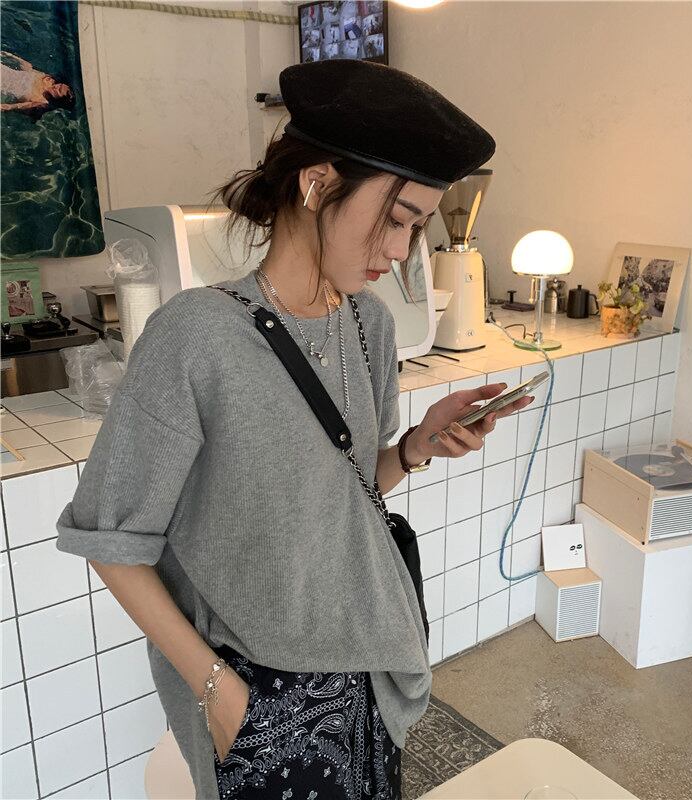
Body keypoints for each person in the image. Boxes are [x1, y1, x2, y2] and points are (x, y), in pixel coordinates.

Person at [55, 59, 532, 799]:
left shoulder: (370, 326)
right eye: (397, 219)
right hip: (258, 690)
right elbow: (110, 543)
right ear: (316, 184)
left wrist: (415, 448)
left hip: (368, 666)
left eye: (416, 227)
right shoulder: (197, 337)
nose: (401, 250)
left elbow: (342, 496)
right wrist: (219, 693)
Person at [0, 50, 74, 115]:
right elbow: (29, 69)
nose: (56, 86)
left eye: (59, 90)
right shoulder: (48, 80)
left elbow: (19, 106)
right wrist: (12, 56)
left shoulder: (42, 101)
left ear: (59, 99)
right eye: (60, 85)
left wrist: (7, 107)